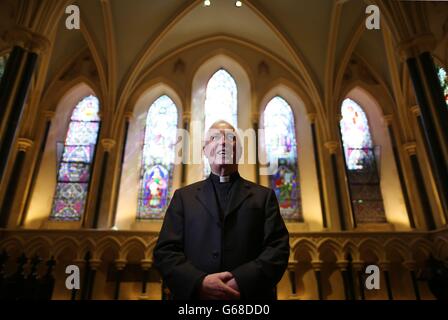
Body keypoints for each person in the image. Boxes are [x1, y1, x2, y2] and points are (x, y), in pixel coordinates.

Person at [153, 120, 290, 300]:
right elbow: (165, 252)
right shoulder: (183, 198)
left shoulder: (263, 197)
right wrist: (199, 282)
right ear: (205, 151)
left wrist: (241, 281)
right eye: (214, 138)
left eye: (230, 138)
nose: (223, 142)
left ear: (239, 151)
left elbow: (277, 249)